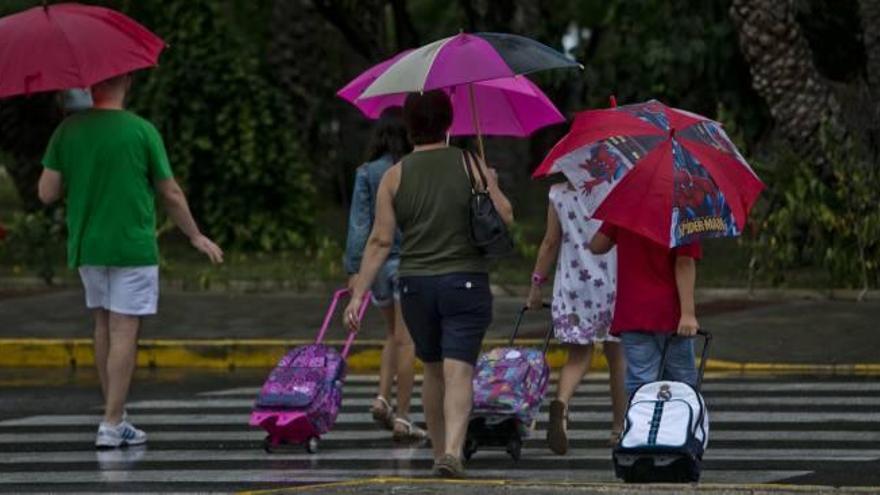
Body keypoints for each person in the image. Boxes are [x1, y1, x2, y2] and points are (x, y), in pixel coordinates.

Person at [38, 73, 223, 449]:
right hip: (132, 246)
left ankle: (116, 416)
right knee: (125, 330)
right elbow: (169, 192)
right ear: (126, 81)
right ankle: (110, 421)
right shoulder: (141, 131)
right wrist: (194, 235)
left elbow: (46, 193)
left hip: (88, 247)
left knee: (103, 326)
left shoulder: (68, 131)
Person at [342, 90, 513, 478]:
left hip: (416, 285)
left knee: (433, 370)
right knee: (460, 371)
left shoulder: (393, 175)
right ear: (449, 122)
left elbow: (380, 241)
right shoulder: (470, 163)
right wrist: (494, 185)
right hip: (465, 282)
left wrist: (358, 294)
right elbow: (506, 217)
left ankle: (440, 451)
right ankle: (454, 449)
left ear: (409, 126)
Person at [343, 107, 426, 442]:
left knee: (392, 333)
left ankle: (381, 397)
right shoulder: (414, 169)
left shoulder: (367, 172)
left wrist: (354, 271)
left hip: (378, 266)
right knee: (407, 340)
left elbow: (360, 225)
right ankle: (404, 417)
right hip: (409, 263)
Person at [527, 181, 626, 454]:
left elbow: (550, 242)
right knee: (617, 357)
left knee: (578, 357)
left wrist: (536, 284)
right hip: (612, 284)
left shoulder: (558, 193)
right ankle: (619, 428)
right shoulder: (615, 189)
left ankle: (561, 402)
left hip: (573, 287)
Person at [589, 223, 701, 398]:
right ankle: (674, 424)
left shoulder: (627, 209)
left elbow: (597, 246)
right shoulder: (682, 213)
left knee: (642, 384)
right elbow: (684, 263)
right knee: (681, 384)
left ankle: (645, 424)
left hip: (632, 313)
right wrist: (688, 314)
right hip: (670, 315)